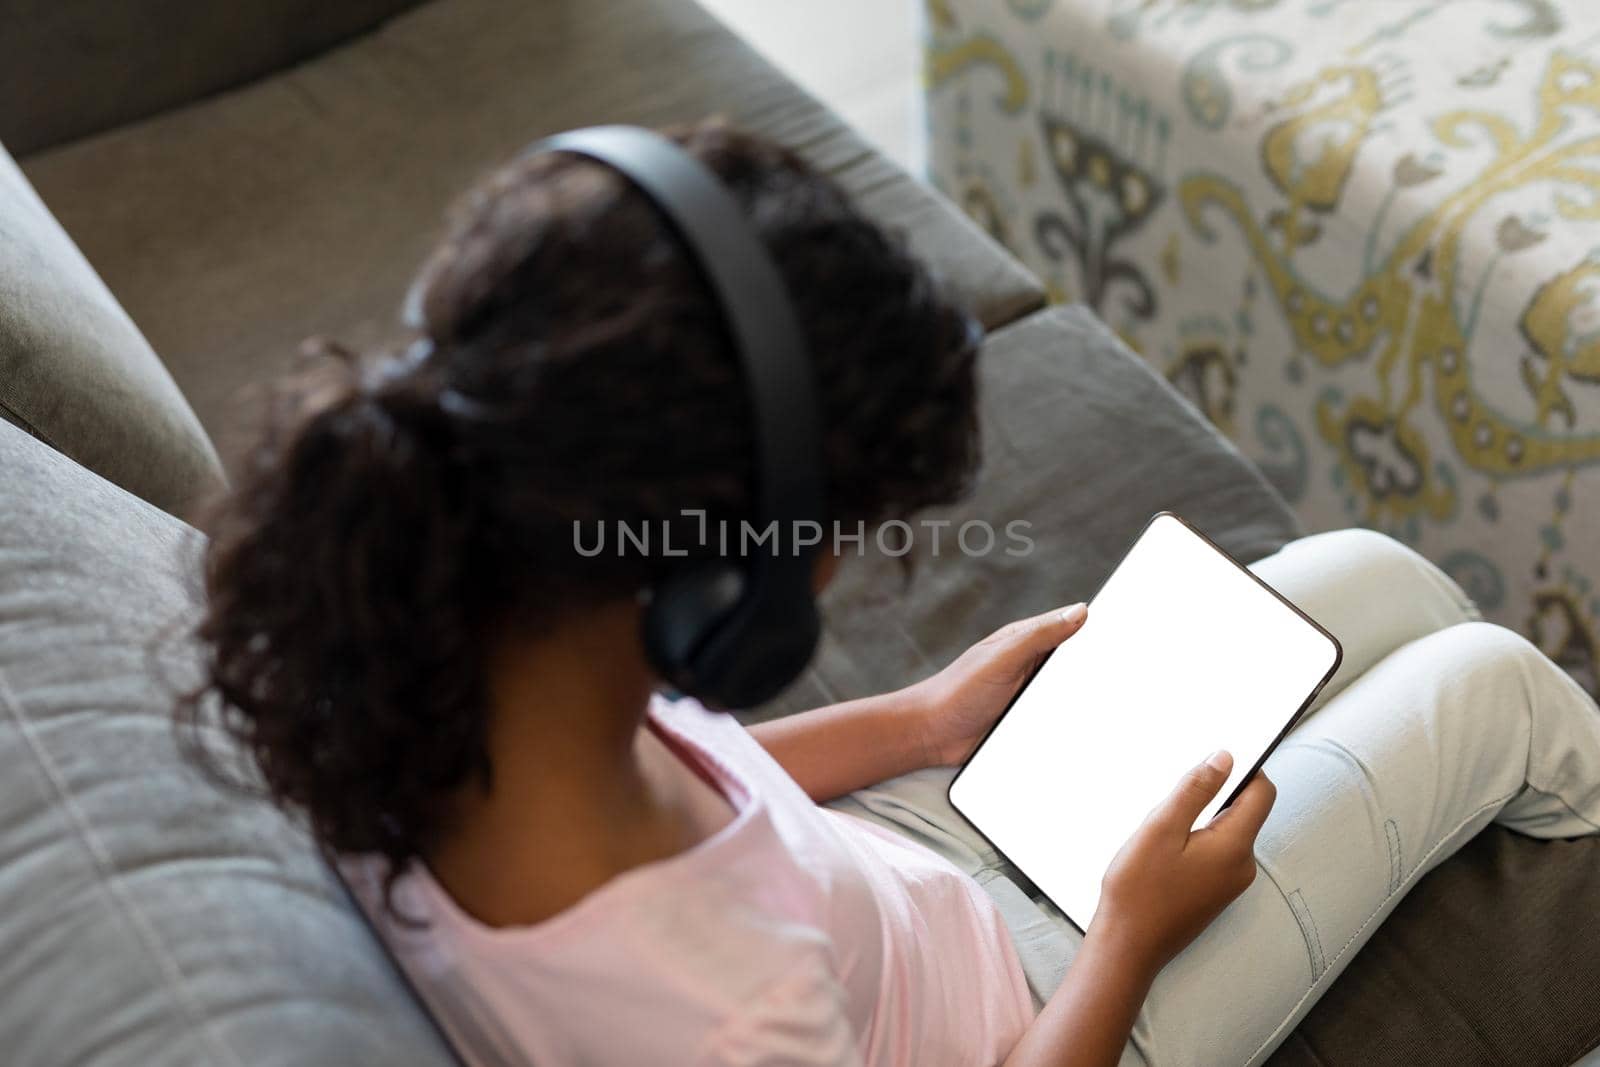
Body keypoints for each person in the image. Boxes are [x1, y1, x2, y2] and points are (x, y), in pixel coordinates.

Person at [180, 120, 1600, 1066]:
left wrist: (923, 721)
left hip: (901, 858)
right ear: (725, 584)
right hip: (1053, 1004)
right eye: (840, 533)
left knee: (1374, 578)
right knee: (1494, 684)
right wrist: (1130, 936)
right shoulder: (727, 1014)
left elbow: (721, 792)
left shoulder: (444, 670)